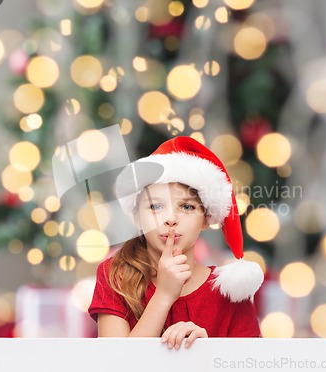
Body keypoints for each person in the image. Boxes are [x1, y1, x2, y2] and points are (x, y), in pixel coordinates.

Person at [88, 136, 264, 349]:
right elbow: (114, 364)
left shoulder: (229, 291)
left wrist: (206, 352)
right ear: (136, 217)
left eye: (187, 207)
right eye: (155, 207)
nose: (170, 219)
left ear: (206, 218)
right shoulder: (115, 276)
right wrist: (163, 296)